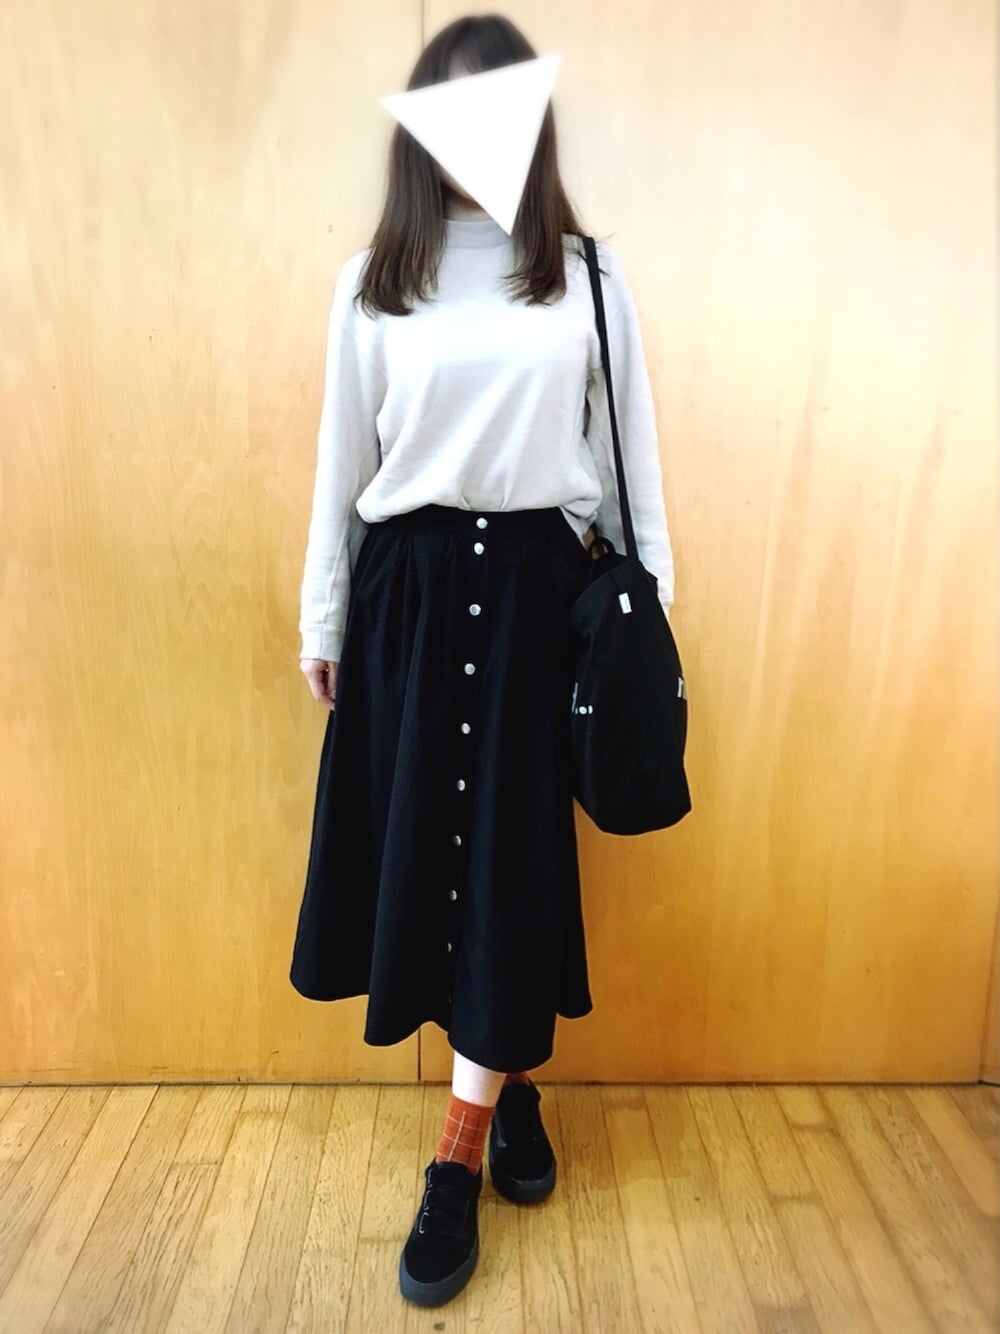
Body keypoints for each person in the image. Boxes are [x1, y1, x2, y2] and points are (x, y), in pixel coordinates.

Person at [288, 14, 676, 1310]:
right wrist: (324, 617)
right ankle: (507, 1093)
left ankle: (457, 1151)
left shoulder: (585, 278)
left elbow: (628, 466)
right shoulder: (373, 282)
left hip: (533, 601)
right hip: (405, 597)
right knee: (431, 849)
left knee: (507, 855)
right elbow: (342, 464)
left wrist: (647, 628)